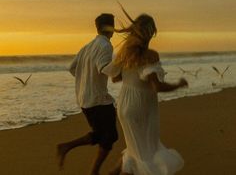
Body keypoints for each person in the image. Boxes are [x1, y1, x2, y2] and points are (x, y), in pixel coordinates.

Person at [102, 12, 188, 175]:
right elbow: (157, 87)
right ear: (150, 33)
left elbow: (115, 78)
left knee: (135, 151)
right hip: (142, 107)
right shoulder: (150, 56)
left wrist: (132, 76)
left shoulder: (124, 54)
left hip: (124, 105)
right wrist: (178, 85)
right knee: (146, 154)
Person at [57, 13, 118, 175]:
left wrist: (86, 80)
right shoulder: (105, 46)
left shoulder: (87, 47)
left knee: (102, 135)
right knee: (110, 137)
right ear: (111, 28)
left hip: (84, 100)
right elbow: (105, 68)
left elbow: (71, 67)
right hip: (99, 100)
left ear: (97, 28)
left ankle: (66, 147)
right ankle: (93, 171)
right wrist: (123, 66)